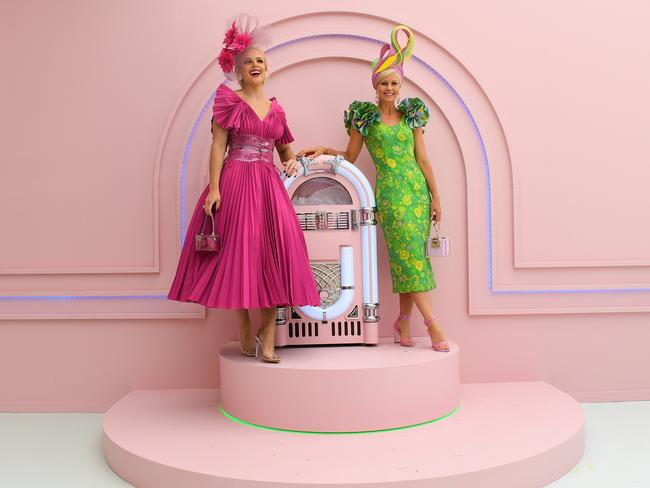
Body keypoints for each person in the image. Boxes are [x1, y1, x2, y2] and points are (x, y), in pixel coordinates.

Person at [168, 14, 320, 363]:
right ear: (238, 69)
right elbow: (217, 147)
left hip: (268, 186)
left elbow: (284, 151)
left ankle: (267, 333)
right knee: (238, 256)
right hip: (236, 181)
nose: (256, 65)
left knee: (275, 254)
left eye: (261, 61)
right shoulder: (228, 100)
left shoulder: (277, 109)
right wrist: (214, 189)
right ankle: (243, 322)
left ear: (267, 70)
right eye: (249, 61)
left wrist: (295, 160)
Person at [298, 25, 449, 352]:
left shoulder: (412, 115)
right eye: (384, 83)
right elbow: (350, 156)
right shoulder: (364, 118)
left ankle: (402, 321)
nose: (390, 88)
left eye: (394, 83)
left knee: (413, 257)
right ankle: (433, 325)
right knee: (408, 257)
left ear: (400, 85)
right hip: (391, 195)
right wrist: (325, 149)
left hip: (417, 192)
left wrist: (436, 197)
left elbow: (423, 158)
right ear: (375, 87)